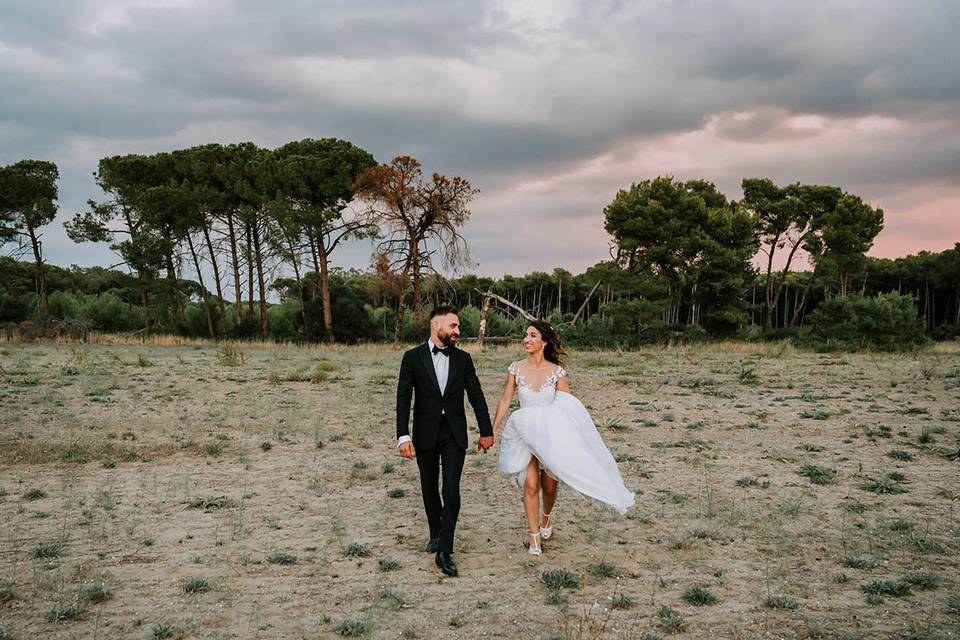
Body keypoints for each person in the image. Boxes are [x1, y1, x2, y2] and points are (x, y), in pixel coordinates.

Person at [492, 320, 635, 555]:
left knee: (549, 486)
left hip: (550, 435)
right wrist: (492, 430)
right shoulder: (515, 368)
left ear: (544, 342)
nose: (527, 339)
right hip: (525, 432)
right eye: (525, 335)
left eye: (533, 336)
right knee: (530, 485)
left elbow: (570, 405)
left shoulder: (556, 372)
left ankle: (546, 517)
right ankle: (534, 538)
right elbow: (506, 400)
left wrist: (577, 438)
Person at [395, 305, 495, 576]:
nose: (458, 331)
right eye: (453, 326)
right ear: (435, 326)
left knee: (451, 488)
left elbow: (477, 396)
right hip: (424, 433)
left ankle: (445, 550)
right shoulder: (412, 358)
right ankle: (435, 533)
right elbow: (404, 398)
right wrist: (402, 435)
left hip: (453, 433)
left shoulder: (463, 359)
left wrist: (486, 432)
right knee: (429, 487)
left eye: (458, 327)